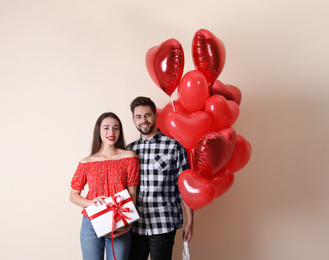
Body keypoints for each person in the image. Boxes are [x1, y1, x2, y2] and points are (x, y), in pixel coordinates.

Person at [126, 96, 194, 260]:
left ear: (156, 116)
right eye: (139, 116)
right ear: (134, 120)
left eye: (147, 115)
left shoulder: (174, 146)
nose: (144, 120)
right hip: (134, 225)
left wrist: (190, 221)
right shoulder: (129, 151)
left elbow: (184, 188)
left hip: (163, 223)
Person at [69, 112, 140, 260]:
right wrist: (90, 202)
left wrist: (128, 224)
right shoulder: (86, 162)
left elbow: (132, 194)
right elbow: (73, 195)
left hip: (119, 219)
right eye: (106, 128)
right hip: (91, 221)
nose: (111, 132)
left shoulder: (129, 157)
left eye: (116, 128)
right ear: (99, 131)